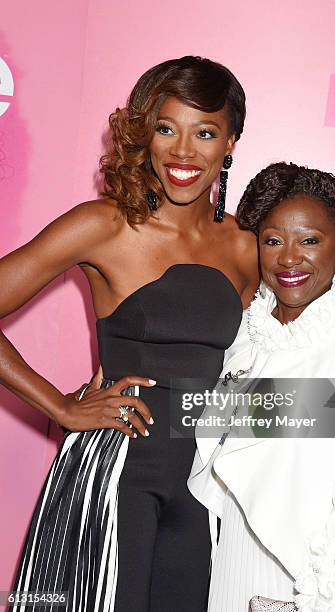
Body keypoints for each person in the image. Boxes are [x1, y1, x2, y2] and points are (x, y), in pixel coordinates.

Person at [0, 56, 259, 611]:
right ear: (146, 134)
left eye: (205, 132)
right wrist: (60, 407)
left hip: (204, 486)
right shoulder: (105, 226)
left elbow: (256, 367)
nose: (183, 152)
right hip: (116, 475)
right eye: (166, 129)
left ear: (230, 141)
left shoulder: (246, 247)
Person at [188, 162, 335, 612]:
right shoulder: (249, 337)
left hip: (303, 585)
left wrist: (318, 603)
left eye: (309, 241)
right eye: (273, 241)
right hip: (233, 560)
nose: (288, 258)